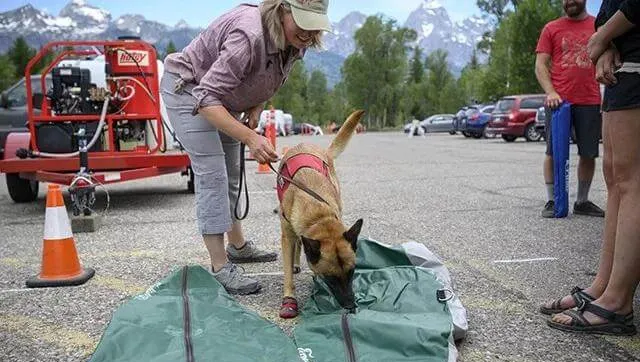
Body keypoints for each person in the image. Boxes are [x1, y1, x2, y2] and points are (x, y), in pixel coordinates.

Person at [160, 0, 331, 295]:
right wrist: (252, 138)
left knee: (232, 172)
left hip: (222, 98)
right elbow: (205, 98)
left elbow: (269, 75)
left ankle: (238, 246)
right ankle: (219, 266)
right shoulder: (248, 35)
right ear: (282, 10)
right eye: (302, 21)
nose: (308, 31)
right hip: (190, 92)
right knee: (212, 173)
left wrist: (257, 102)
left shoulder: (296, 38)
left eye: (315, 23)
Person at [542, 0, 640, 336]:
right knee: (616, 181)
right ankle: (603, 285)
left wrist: (601, 38)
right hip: (621, 65)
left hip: (635, 61)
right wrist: (607, 45)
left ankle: (617, 302)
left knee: (633, 184)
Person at [534, 0, 605, 219]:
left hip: (590, 100)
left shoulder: (598, 26)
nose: (569, 2)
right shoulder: (551, 28)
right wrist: (551, 92)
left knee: (588, 153)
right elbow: (540, 65)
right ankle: (553, 199)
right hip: (559, 103)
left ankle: (582, 201)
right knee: (553, 152)